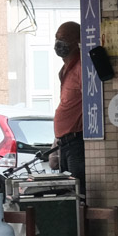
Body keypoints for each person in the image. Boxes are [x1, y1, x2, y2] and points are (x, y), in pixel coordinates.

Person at [50, 21, 85, 192]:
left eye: (63, 39)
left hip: (76, 142)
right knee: (67, 192)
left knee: (77, 193)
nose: (58, 43)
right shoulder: (65, 70)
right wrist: (56, 142)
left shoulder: (81, 68)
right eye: (57, 38)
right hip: (64, 143)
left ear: (77, 41)